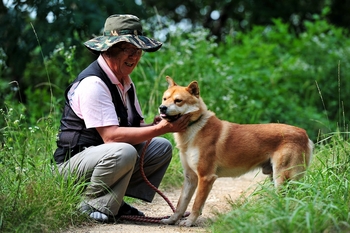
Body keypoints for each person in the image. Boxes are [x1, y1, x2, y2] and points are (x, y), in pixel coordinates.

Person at [53, 14, 190, 223]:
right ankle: (88, 203)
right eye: (129, 50)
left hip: (105, 158)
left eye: (138, 51)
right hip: (70, 169)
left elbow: (132, 128)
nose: (134, 57)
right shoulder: (93, 84)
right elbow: (112, 138)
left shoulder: (125, 81)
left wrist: (155, 125)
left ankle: (114, 202)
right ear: (109, 49)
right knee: (124, 150)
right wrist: (160, 129)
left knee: (161, 146)